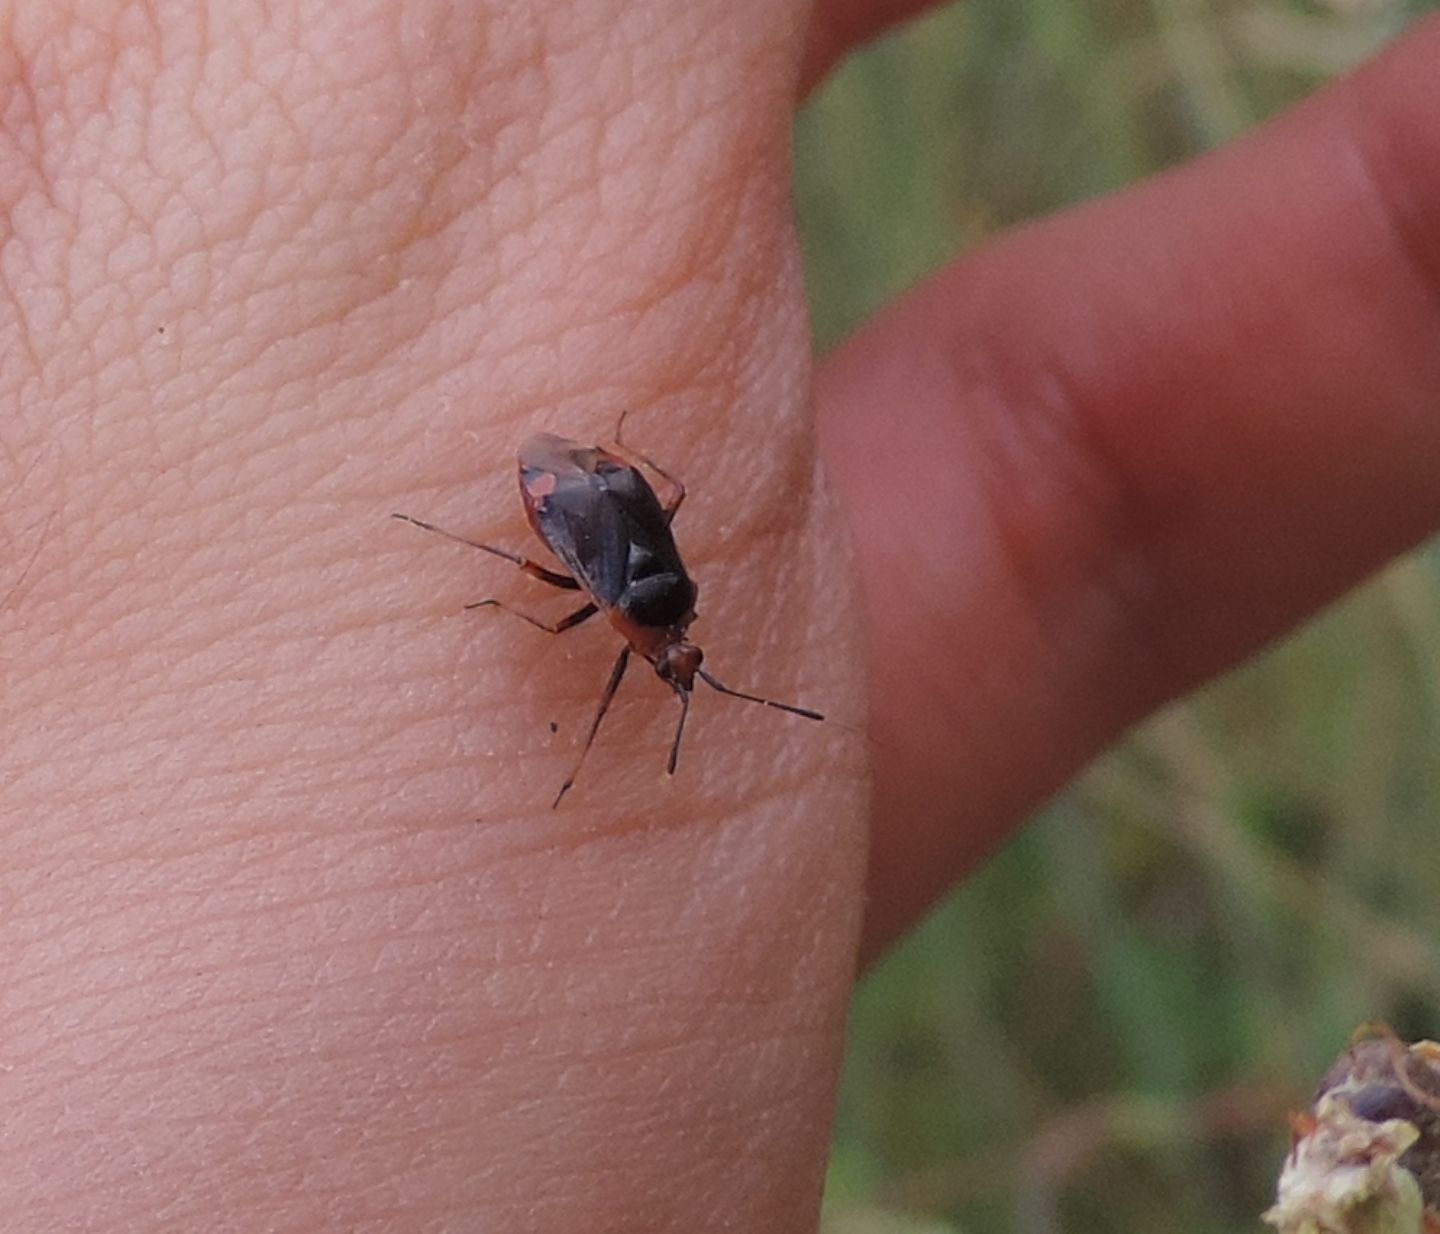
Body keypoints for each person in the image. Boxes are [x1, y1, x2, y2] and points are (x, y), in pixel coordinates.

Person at [2, 3, 1437, 1229]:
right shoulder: (649, 608)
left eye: (683, 667)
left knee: (591, 565)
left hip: (595, 497)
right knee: (544, 586)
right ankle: (456, 536)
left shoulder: (658, 613)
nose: (680, 669)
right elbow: (606, 549)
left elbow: (630, 522)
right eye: (684, 662)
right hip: (577, 501)